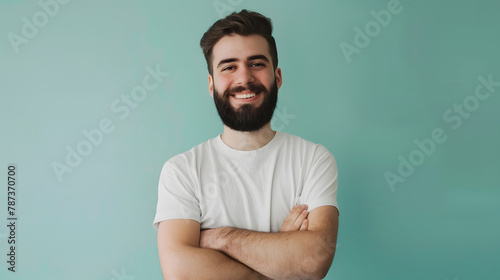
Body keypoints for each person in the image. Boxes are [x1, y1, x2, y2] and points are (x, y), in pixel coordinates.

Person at [153, 9, 339, 280]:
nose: (243, 79)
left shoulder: (313, 159)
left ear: (277, 77)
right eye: (229, 67)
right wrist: (281, 263)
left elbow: (314, 260)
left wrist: (221, 238)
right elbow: (180, 273)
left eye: (256, 64)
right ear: (211, 84)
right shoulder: (182, 171)